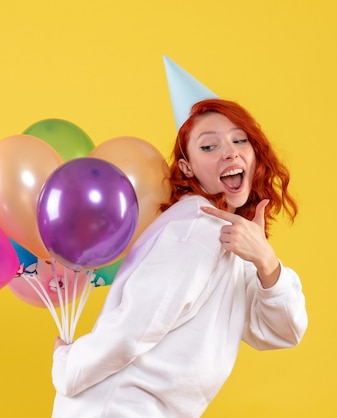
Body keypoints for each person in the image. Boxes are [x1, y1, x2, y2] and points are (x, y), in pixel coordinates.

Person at [51, 98, 308, 417]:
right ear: (188, 168)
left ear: (254, 153)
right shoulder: (195, 229)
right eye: (209, 147)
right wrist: (68, 366)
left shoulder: (229, 235)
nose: (230, 151)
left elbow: (282, 330)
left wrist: (265, 260)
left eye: (239, 140)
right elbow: (134, 327)